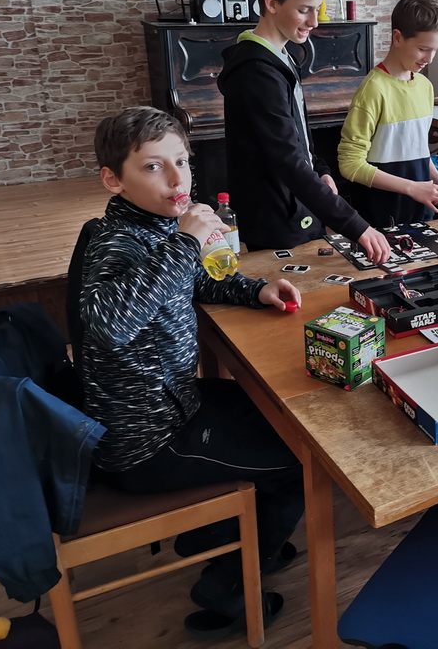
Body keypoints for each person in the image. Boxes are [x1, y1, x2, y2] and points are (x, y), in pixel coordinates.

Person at [79, 106, 303, 634]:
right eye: (153, 167)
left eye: (181, 161)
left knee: (283, 416)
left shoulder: (151, 224)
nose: (177, 179)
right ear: (113, 180)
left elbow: (195, 281)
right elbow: (108, 323)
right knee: (301, 459)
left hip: (174, 403)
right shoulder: (115, 242)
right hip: (147, 441)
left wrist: (256, 290)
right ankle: (227, 585)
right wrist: (185, 242)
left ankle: (228, 533)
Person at [218, 0, 390, 263]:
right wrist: (357, 226)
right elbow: (287, 161)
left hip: (300, 207)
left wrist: (321, 168)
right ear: (271, 2)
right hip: (276, 217)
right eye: (304, 10)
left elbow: (300, 138)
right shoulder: (256, 72)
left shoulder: (282, 57)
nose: (314, 22)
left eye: (317, 9)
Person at [337, 0, 438, 227]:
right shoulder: (373, 89)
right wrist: (412, 188)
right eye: (423, 49)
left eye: (435, 50)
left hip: (420, 207)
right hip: (380, 215)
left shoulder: (425, 87)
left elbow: (415, 147)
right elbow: (349, 165)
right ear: (398, 38)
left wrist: (435, 176)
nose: (430, 58)